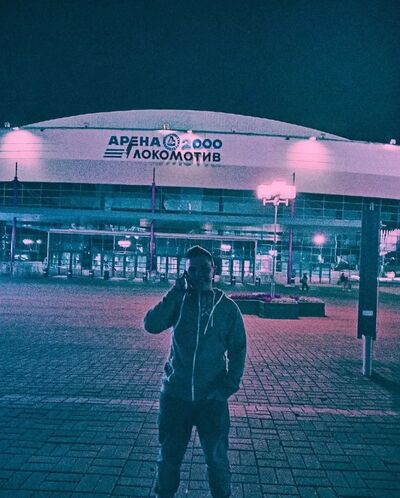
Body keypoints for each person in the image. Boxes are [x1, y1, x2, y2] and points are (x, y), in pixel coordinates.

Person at [144, 245, 247, 498]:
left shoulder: (227, 307)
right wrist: (175, 291)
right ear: (185, 273)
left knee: (217, 459)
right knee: (168, 458)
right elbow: (151, 324)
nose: (199, 274)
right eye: (192, 270)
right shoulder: (179, 301)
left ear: (214, 270)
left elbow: (238, 350)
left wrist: (226, 388)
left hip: (211, 399)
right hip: (175, 396)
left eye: (204, 268)